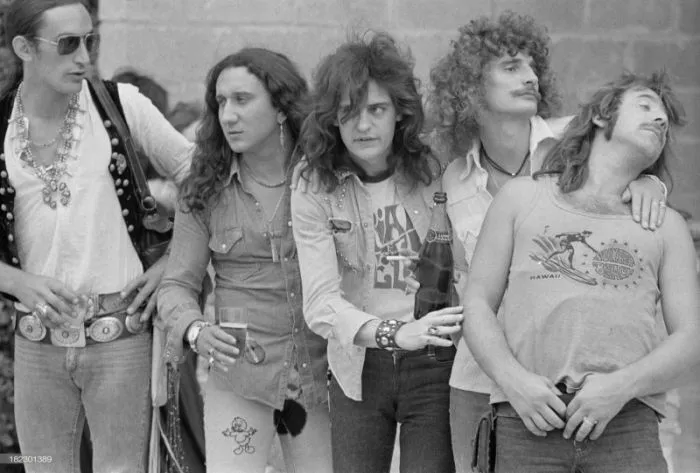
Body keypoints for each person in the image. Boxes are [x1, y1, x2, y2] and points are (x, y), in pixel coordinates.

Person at [427, 12, 669, 471]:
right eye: (511, 66)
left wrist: (650, 183)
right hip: (479, 378)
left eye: (533, 66)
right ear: (470, 86)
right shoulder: (453, 179)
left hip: (567, 382)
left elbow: (630, 165)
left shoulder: (574, 140)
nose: (531, 77)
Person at [461, 70, 700, 473]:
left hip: (626, 423)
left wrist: (621, 387)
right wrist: (513, 381)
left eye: (664, 121)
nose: (660, 120)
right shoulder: (521, 198)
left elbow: (691, 340)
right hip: (528, 418)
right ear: (602, 117)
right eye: (645, 106)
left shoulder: (667, 225)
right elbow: (477, 302)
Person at [0, 1, 192, 472]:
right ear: (24, 47)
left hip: (121, 337)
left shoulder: (120, 104)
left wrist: (175, 264)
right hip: (35, 340)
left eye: (91, 41)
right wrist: (16, 282)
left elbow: (201, 179)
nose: (84, 57)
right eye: (68, 44)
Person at [291, 32, 463, 473]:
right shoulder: (314, 183)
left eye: (376, 110)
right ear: (332, 119)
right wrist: (393, 333)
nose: (363, 126)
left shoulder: (434, 163)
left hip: (437, 357)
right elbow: (320, 303)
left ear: (399, 111)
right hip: (359, 363)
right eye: (349, 112)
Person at [156, 48, 331, 473]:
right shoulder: (204, 189)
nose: (228, 115)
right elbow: (176, 284)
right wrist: (196, 330)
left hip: (321, 375)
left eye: (242, 100)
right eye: (220, 102)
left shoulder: (324, 179)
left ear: (281, 109)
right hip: (240, 375)